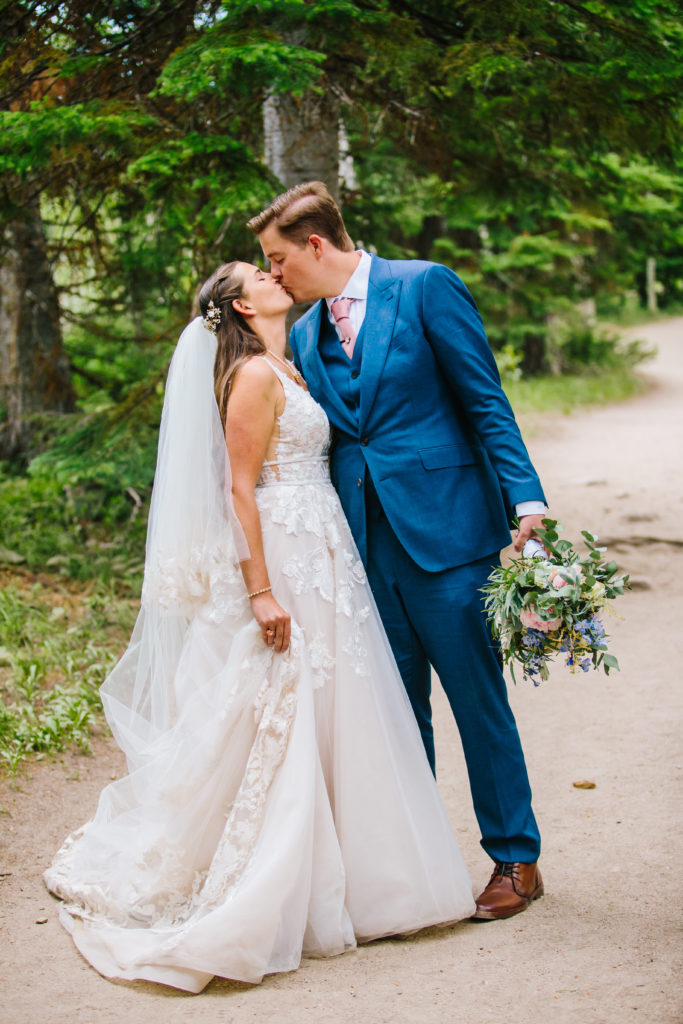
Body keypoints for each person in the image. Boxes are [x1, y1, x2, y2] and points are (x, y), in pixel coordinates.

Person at [44, 260, 475, 993]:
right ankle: (282, 877)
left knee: (340, 704)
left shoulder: (288, 362)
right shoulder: (250, 376)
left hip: (323, 546)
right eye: (260, 274)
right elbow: (236, 486)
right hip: (282, 551)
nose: (276, 276)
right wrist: (262, 591)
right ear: (242, 304)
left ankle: (366, 876)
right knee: (285, 705)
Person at [247, 181, 547, 921]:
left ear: (315, 245)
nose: (274, 274)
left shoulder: (423, 287)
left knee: (477, 702)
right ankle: (423, 866)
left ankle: (515, 858)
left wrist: (527, 498)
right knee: (393, 711)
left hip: (447, 536)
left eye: (277, 259)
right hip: (359, 549)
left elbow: (484, 401)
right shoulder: (307, 333)